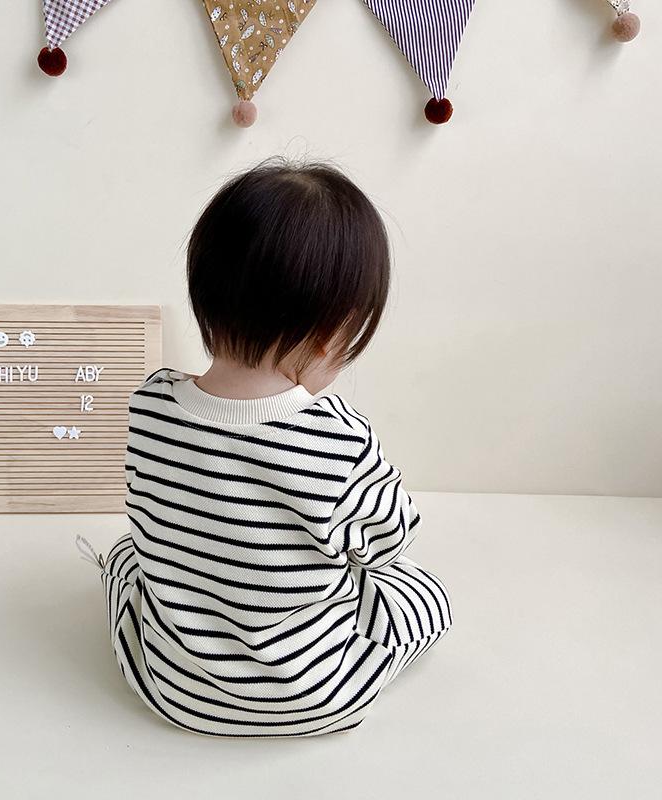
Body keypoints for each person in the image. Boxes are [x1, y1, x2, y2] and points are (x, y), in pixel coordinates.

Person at [91, 158, 453, 737]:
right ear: (330, 335)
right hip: (317, 692)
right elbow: (391, 540)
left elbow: (151, 513)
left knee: (127, 558)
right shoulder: (338, 439)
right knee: (420, 593)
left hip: (172, 687)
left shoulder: (150, 405)